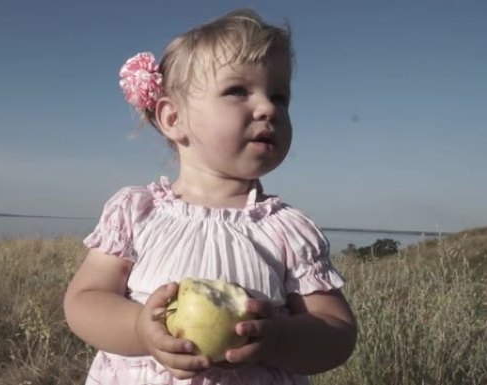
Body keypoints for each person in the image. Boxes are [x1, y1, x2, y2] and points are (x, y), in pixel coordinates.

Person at [63, 8, 357, 385]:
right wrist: (140, 330)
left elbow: (337, 331)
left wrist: (279, 339)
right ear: (173, 119)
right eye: (238, 91)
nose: (268, 108)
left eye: (280, 96)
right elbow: (84, 300)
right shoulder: (138, 213)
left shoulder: (287, 231)